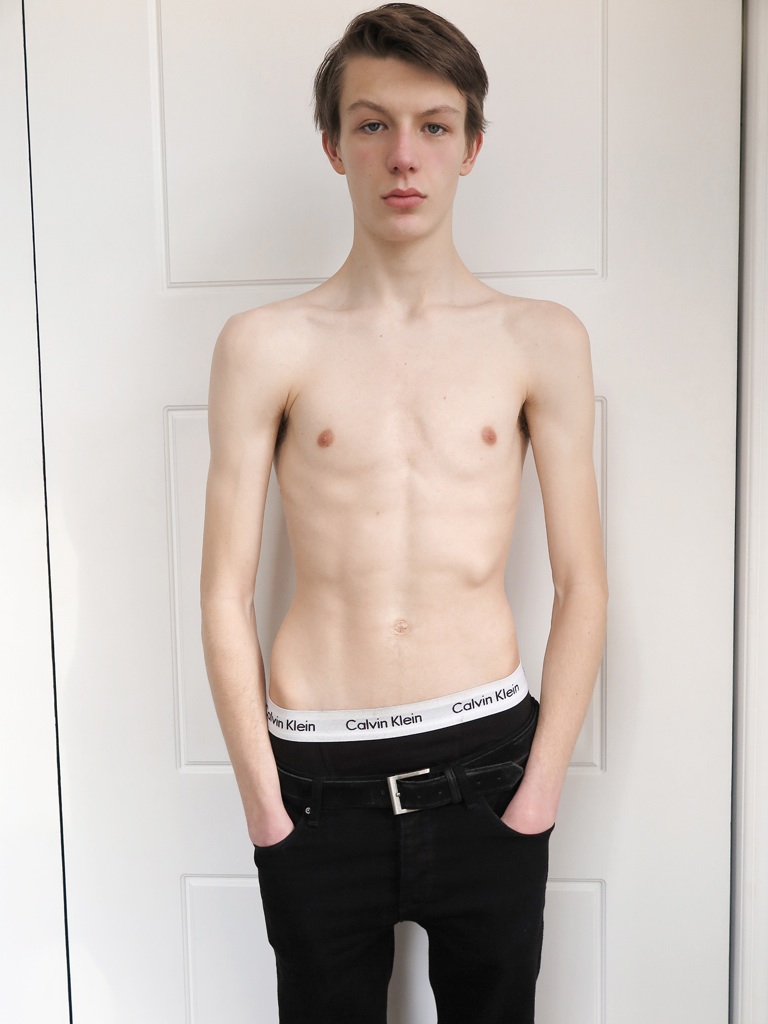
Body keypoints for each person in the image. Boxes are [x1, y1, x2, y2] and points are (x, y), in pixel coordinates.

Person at [200, 4, 608, 1022]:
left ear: (472, 145)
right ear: (333, 144)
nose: (403, 156)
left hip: (489, 770)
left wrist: (540, 790)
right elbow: (222, 593)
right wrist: (263, 803)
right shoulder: (264, 344)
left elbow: (582, 583)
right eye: (373, 123)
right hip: (314, 786)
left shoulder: (541, 340)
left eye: (433, 125)